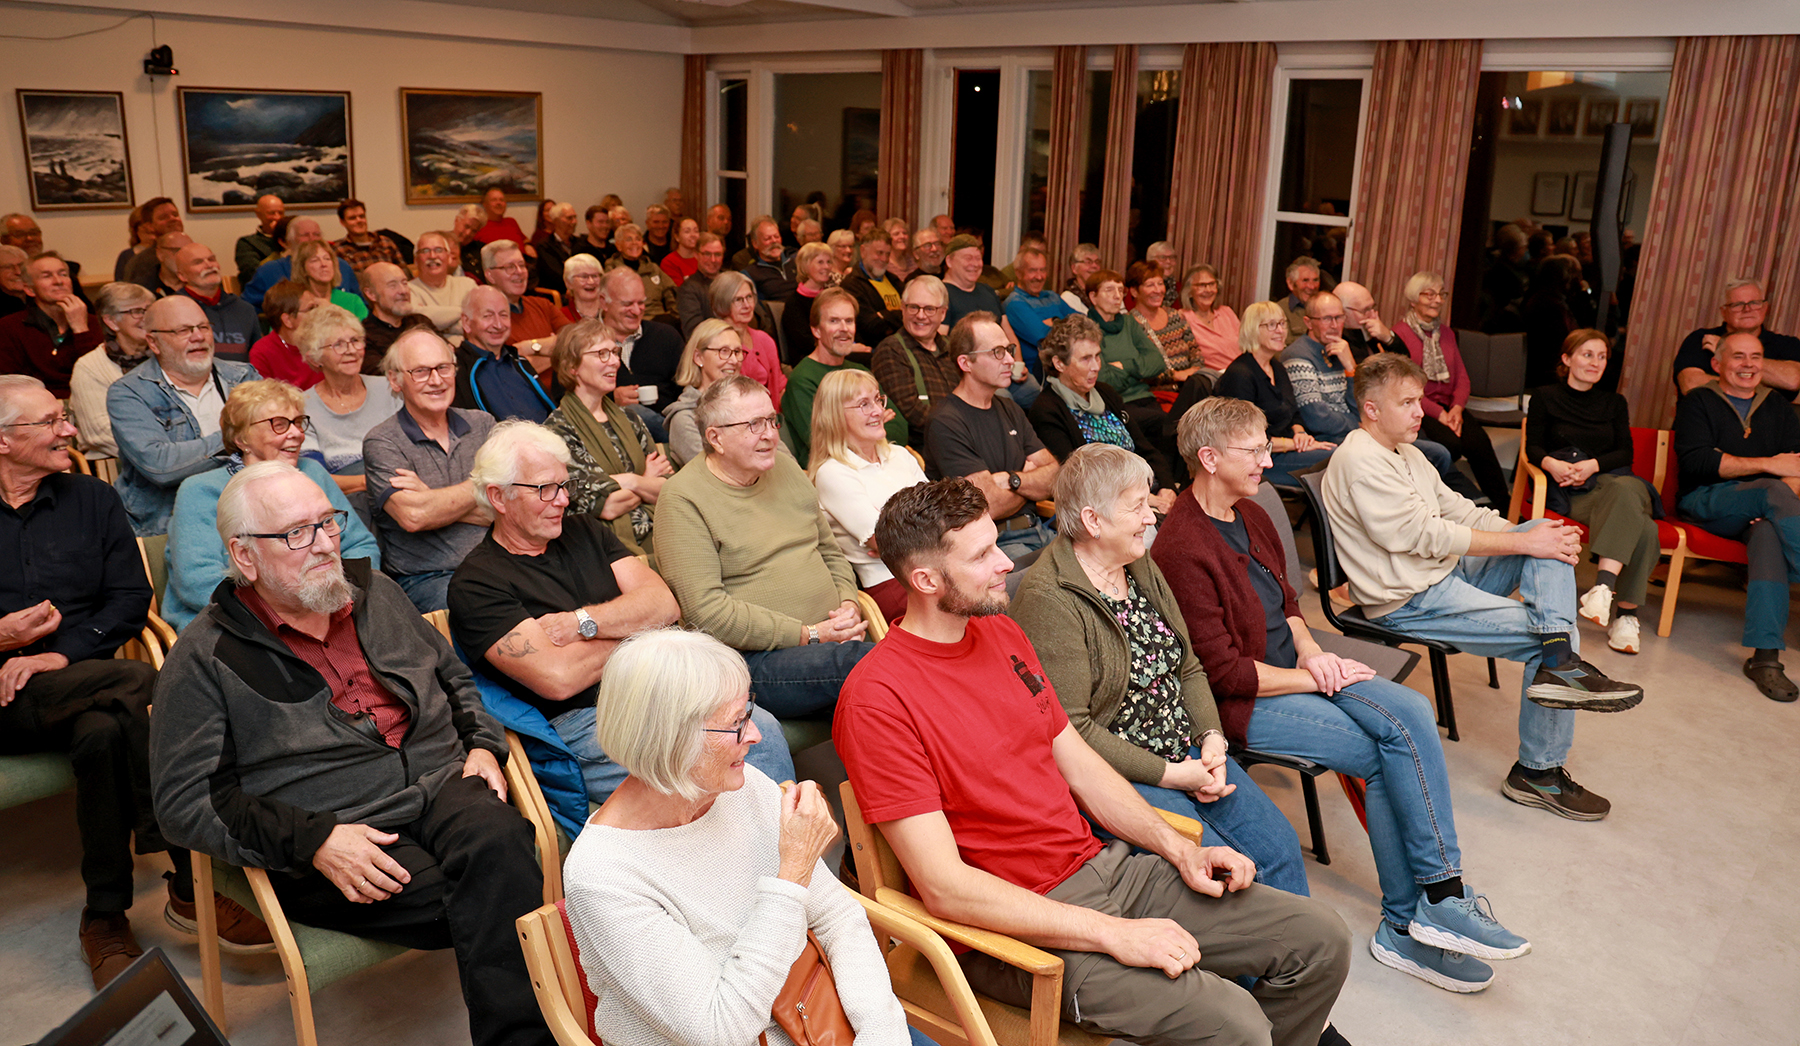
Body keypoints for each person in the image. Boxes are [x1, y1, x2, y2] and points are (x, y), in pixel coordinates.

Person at [835, 478, 1353, 1046]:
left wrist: (1181, 848)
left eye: (996, 543)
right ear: (927, 580)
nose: (1007, 562)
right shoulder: (877, 698)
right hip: (1016, 924)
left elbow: (1079, 764)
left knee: (1322, 938)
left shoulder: (1001, 632)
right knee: (1236, 1023)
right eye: (982, 555)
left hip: (1106, 869)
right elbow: (946, 889)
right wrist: (1112, 934)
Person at [149, 461, 551, 1046]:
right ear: (244, 557)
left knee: (503, 848)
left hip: (441, 781)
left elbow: (453, 678)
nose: (324, 545)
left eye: (328, 523)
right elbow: (184, 803)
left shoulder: (376, 593)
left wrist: (485, 746)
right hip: (332, 829)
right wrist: (314, 841)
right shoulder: (205, 656)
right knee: (490, 894)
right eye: (295, 533)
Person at [1157, 399, 1532, 993]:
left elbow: (1288, 607)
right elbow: (1224, 674)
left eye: (1265, 445)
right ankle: (1411, 922)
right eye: (1253, 449)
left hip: (1297, 671)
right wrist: (1317, 678)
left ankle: (1437, 899)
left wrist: (1314, 654)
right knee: (1378, 750)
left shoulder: (1251, 512)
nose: (1267, 457)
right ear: (1208, 457)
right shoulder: (1179, 545)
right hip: (1245, 703)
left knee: (1412, 712)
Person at [0, 375, 271, 989]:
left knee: (104, 730)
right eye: (50, 423)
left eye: (66, 417)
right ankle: (186, 875)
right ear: (3, 441)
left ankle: (105, 913)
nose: (69, 431)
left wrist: (58, 654)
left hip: (81, 682)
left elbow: (128, 600)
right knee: (141, 683)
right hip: (4, 696)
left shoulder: (91, 501)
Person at [1323, 352, 1643, 821]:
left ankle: (1558, 661)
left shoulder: (1406, 453)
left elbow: (1460, 511)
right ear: (1371, 409)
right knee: (1549, 628)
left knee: (1543, 534)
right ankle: (1539, 772)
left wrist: (1527, 536)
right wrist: (1523, 543)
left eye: (1420, 401)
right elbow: (1421, 534)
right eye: (1408, 403)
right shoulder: (1357, 460)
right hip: (1408, 599)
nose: (1420, 412)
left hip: (1442, 573)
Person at [562, 628, 909, 1046]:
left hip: (824, 1022)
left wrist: (880, 1032)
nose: (755, 736)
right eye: (735, 724)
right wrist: (792, 874)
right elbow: (720, 1029)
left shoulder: (743, 787)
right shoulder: (603, 875)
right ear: (670, 740)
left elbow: (837, 918)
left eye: (749, 712)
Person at [1010, 443, 1313, 901]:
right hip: (1124, 771)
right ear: (1093, 521)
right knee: (1231, 882)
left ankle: (1297, 968)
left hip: (1189, 749)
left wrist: (1211, 737)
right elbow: (1074, 729)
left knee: (1281, 851)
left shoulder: (1135, 561)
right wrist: (1171, 774)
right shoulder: (1049, 598)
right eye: (1138, 507)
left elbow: (1187, 664)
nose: (1152, 517)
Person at [448, 424, 784, 812]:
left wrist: (581, 624)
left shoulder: (585, 532)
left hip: (661, 691)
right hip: (585, 718)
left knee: (763, 730)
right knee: (712, 753)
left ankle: (792, 865)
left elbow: (664, 605)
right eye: (544, 489)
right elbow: (559, 679)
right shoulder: (477, 583)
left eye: (564, 485)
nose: (561, 500)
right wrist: (634, 628)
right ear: (498, 497)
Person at [654, 375, 875, 719]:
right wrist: (810, 635)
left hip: (833, 640)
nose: (771, 435)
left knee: (900, 664)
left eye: (772, 420)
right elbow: (706, 612)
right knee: (881, 668)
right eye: (754, 424)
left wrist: (848, 604)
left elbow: (829, 550)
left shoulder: (784, 468)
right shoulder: (682, 499)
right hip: (753, 662)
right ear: (716, 438)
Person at [164, 380, 379, 632]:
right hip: (234, 624)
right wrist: (290, 609)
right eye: (279, 424)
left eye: (298, 422)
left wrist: (328, 594)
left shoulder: (313, 474)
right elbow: (197, 582)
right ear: (241, 438)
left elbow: (362, 547)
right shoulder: (201, 490)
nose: (297, 433)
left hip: (327, 609)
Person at [1672, 332, 1800, 701]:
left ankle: (1765, 658)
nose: (1748, 364)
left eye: (1756, 356)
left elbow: (1797, 466)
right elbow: (1699, 462)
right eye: (1739, 356)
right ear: (1717, 364)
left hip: (1764, 509)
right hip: (1706, 502)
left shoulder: (1778, 407)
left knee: (1768, 537)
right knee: (1771, 489)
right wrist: (1769, 467)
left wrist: (1772, 496)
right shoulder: (1698, 401)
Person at [1527, 330, 1660, 655]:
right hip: (1574, 493)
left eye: (1601, 357)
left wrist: (1592, 465)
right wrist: (1551, 464)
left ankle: (1603, 587)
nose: (1595, 362)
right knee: (1647, 528)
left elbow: (1624, 454)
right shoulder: (1544, 396)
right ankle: (1626, 616)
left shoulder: (1614, 402)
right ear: (1566, 358)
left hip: (1610, 482)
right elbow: (1532, 445)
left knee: (1626, 488)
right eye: (1587, 354)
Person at [363, 328, 497, 611]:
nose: (436, 380)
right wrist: (485, 484)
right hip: (431, 579)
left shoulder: (483, 424)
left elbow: (512, 505)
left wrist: (433, 499)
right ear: (395, 379)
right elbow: (415, 516)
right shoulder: (382, 441)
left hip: (500, 562)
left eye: (443, 368)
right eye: (421, 371)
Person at [107, 295, 259, 536]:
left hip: (249, 512)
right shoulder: (128, 392)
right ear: (154, 342)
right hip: (169, 522)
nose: (198, 337)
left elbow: (274, 439)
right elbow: (161, 466)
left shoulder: (242, 377)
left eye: (203, 327)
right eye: (183, 330)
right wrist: (238, 437)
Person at [925, 313, 1058, 559]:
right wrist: (1029, 480)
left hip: (1039, 530)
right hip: (995, 545)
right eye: (997, 352)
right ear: (966, 363)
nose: (1010, 360)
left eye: (1009, 349)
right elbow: (988, 506)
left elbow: (1054, 475)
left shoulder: (1010, 408)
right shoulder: (946, 421)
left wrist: (1011, 480)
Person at [543, 320, 673, 557]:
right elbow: (607, 506)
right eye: (602, 354)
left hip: (662, 530)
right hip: (604, 549)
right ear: (573, 366)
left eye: (614, 352)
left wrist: (630, 482)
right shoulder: (557, 431)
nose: (614, 361)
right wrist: (644, 479)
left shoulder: (630, 419)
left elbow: (667, 488)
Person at [809, 369, 930, 622]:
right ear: (835, 417)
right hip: (893, 584)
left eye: (877, 399)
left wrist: (900, 537)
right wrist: (893, 540)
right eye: (863, 404)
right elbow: (882, 540)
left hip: (933, 569)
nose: (877, 410)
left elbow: (943, 515)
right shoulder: (832, 472)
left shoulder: (900, 455)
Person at [1027, 315, 1176, 511]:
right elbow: (1078, 479)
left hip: (1148, 493)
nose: (1096, 366)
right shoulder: (1047, 409)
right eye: (1085, 359)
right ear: (1059, 364)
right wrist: (1143, 499)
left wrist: (1167, 486)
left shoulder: (1105, 393)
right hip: (1104, 507)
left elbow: (1144, 448)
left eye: (1097, 356)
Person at [1390, 271, 1512, 507]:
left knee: (1479, 443)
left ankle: (1504, 507)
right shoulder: (1399, 335)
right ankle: (1455, 505)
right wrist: (1441, 414)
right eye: (1429, 294)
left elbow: (1462, 377)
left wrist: (1456, 409)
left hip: (1450, 406)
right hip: (1420, 407)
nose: (1437, 300)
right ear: (1414, 299)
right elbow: (1406, 387)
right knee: (1450, 446)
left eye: (1440, 294)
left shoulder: (1446, 332)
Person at [1215, 302, 1333, 488]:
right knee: (1335, 460)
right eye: (1271, 325)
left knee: (1341, 454)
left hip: (1286, 449)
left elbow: (1293, 413)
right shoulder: (1240, 374)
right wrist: (1295, 444)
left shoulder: (1277, 367)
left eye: (1282, 323)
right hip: (1259, 460)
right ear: (1252, 329)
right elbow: (1243, 437)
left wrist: (1300, 433)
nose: (1280, 331)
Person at [781, 288, 906, 462]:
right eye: (834, 321)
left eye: (849, 321)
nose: (844, 329)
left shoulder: (860, 372)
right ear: (816, 330)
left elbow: (900, 429)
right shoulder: (802, 379)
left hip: (878, 463)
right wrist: (876, 426)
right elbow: (823, 443)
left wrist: (855, 429)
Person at [297, 304, 402, 495]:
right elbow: (315, 477)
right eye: (338, 344)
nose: (351, 350)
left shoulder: (390, 389)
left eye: (355, 340)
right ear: (315, 358)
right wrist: (370, 482)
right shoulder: (302, 406)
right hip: (348, 503)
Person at [1671, 277, 1800, 399]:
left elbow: (1793, 380)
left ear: (1765, 308)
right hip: (1705, 420)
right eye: (1737, 305)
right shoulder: (1700, 338)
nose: (1747, 309)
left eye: (1754, 303)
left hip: (1764, 422)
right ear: (1723, 312)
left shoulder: (1788, 345)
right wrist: (1759, 386)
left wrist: (1724, 351)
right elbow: (1690, 383)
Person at [598, 267, 685, 443]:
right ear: (604, 303)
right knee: (636, 413)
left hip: (666, 426)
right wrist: (610, 398)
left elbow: (689, 386)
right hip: (610, 435)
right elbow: (566, 397)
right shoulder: (583, 342)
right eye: (627, 304)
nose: (637, 311)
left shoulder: (666, 336)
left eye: (641, 303)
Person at [70, 282, 156, 459]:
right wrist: (158, 451)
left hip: (177, 457)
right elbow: (99, 433)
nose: (146, 317)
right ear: (111, 321)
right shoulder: (89, 367)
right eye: (136, 311)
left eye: (150, 310)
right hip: (117, 464)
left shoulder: (167, 357)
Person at [0, 252, 100, 398]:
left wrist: (81, 330)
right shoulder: (10, 327)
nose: (58, 281)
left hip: (89, 399)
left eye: (63, 274)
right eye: (47, 276)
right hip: (37, 405)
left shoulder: (93, 323)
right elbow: (11, 385)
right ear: (30, 289)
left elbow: (98, 375)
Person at [871, 276, 960, 440]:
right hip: (925, 446)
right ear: (902, 309)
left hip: (963, 437)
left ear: (943, 313)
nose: (920, 315)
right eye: (913, 307)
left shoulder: (953, 348)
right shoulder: (891, 350)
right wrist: (964, 425)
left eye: (929, 309)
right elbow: (911, 412)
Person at [453, 285, 558, 423]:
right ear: (466, 322)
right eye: (488, 316)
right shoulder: (456, 370)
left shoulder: (519, 362)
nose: (498, 325)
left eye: (503, 315)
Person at [1086, 269, 1167, 437]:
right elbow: (1103, 380)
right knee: (1164, 424)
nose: (1117, 296)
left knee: (1172, 428)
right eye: (1109, 290)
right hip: (1115, 404)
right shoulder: (1087, 328)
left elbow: (1158, 362)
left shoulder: (1129, 323)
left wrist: (1124, 366)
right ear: (1093, 297)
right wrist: (1138, 371)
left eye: (1120, 290)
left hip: (1145, 397)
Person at [1279, 292, 1365, 444]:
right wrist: (1356, 425)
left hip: (1353, 435)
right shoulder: (1297, 355)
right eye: (1326, 319)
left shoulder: (1342, 350)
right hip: (1325, 440)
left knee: (1415, 448)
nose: (1334, 325)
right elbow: (1317, 418)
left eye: (1339, 317)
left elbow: (1363, 409)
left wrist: (1351, 367)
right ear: (1308, 323)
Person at [663, 320, 747, 469]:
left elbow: (786, 459)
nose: (734, 361)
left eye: (737, 352)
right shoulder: (685, 418)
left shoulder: (749, 406)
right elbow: (713, 474)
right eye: (724, 351)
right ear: (698, 357)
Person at [241, 217, 360, 311]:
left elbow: (360, 303)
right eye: (305, 235)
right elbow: (246, 309)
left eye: (317, 234)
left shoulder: (341, 266)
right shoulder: (269, 271)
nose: (312, 239)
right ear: (288, 242)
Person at [172, 243, 258, 364]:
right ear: (182, 276)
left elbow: (258, 358)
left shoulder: (244, 309)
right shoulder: (172, 310)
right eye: (198, 262)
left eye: (212, 259)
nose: (208, 265)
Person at [1126, 262, 1201, 398]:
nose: (1158, 290)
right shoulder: (1129, 324)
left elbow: (1196, 353)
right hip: (1155, 395)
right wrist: (1175, 376)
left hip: (1189, 388)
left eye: (1160, 283)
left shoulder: (1176, 316)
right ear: (1134, 291)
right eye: (1150, 285)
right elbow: (1138, 370)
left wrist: (1193, 372)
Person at [710, 269, 787, 402]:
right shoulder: (715, 342)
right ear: (723, 302)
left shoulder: (765, 339)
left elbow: (780, 386)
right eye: (738, 300)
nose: (747, 305)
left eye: (749, 297)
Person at [1004, 246, 1077, 380]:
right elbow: (1043, 336)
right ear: (1019, 273)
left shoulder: (1052, 296)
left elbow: (1082, 321)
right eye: (1032, 271)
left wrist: (1054, 320)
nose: (1039, 276)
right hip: (1042, 374)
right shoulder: (1015, 303)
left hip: (1067, 365)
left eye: (1042, 270)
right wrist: (1063, 321)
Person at [482, 240, 568, 351]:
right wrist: (554, 348)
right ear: (490, 276)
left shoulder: (543, 305)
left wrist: (530, 347)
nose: (519, 271)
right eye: (510, 267)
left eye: (522, 265)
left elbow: (574, 339)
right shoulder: (485, 318)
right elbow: (508, 365)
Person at [248, 279, 323, 389]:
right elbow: (263, 399)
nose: (319, 313)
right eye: (311, 309)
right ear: (288, 320)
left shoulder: (325, 342)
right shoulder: (262, 352)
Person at [841, 232, 905, 348]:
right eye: (879, 253)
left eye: (887, 254)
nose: (884, 259)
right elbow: (870, 326)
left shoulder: (894, 281)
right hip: (874, 351)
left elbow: (911, 314)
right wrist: (900, 316)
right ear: (863, 251)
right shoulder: (851, 285)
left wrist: (884, 315)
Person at [358, 262, 425, 371]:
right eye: (392, 285)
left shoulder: (421, 322)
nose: (403, 291)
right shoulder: (363, 337)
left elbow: (450, 356)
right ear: (371, 294)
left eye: (404, 283)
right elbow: (385, 376)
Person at [408, 230, 477, 336]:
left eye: (439, 250)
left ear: (449, 257)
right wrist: (465, 311)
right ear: (416, 260)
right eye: (425, 251)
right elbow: (418, 324)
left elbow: (479, 324)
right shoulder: (407, 290)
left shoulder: (467, 285)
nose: (432, 256)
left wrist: (439, 324)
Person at [606, 223, 678, 323]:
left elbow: (671, 293)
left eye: (638, 239)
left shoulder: (653, 268)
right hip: (630, 320)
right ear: (619, 245)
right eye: (628, 239)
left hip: (660, 319)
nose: (634, 243)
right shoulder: (612, 270)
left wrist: (674, 315)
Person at [780, 241, 836, 364]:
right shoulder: (794, 303)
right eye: (820, 262)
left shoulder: (831, 298)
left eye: (828, 262)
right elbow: (806, 344)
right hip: (808, 361)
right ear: (805, 266)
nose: (826, 267)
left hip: (833, 353)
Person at [292, 239, 368, 320]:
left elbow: (366, 331)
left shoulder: (353, 301)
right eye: (315, 260)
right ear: (303, 269)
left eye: (327, 259)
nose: (323, 264)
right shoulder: (298, 304)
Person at [120, 198, 184, 289]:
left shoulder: (196, 252)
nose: (172, 219)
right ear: (150, 226)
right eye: (163, 217)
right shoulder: (141, 263)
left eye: (175, 214)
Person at [1332, 281, 1401, 362]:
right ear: (1343, 313)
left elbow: (1405, 363)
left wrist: (1389, 338)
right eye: (1365, 310)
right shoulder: (1337, 343)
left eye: (1373, 307)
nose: (1372, 316)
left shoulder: (1372, 334)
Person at [676, 233, 730, 336]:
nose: (713, 260)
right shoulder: (688, 289)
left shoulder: (731, 281)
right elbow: (694, 330)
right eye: (707, 254)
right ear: (696, 255)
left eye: (717, 254)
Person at [331, 198, 405, 273]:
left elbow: (404, 272)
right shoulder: (338, 250)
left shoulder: (385, 243)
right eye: (352, 218)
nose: (359, 220)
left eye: (362, 216)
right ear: (342, 222)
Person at [234, 194, 286, 287]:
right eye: (272, 213)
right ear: (258, 214)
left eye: (280, 213)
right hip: (264, 294)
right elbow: (252, 274)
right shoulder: (247, 243)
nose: (277, 217)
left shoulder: (293, 240)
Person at [738, 217, 795, 301]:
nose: (774, 241)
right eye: (767, 238)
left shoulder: (796, 264)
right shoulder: (750, 274)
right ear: (755, 244)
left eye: (776, 236)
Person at [533, 202, 579, 296]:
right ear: (556, 221)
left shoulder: (580, 243)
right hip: (558, 294)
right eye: (569, 218)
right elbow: (557, 276)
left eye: (575, 217)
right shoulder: (545, 246)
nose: (574, 222)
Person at [1280, 257, 1322, 345]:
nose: (1311, 286)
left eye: (1315, 280)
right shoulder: (1279, 311)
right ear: (1291, 284)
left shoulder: (1326, 309)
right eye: (1305, 280)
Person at [660, 217, 701, 286]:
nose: (693, 235)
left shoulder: (704, 257)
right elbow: (680, 290)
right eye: (687, 231)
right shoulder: (669, 262)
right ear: (677, 237)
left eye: (696, 231)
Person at [1060, 243, 1101, 312]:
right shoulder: (1068, 298)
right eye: (1088, 262)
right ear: (1074, 268)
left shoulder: (1105, 292)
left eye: (1097, 262)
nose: (1094, 266)